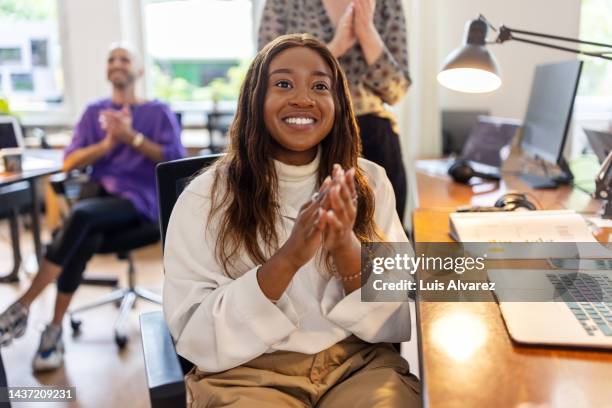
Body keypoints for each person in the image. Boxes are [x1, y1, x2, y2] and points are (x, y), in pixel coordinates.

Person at [164, 34, 419, 407]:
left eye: (320, 86)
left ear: (338, 103)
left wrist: (346, 248)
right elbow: (192, 331)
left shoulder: (370, 183)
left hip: (357, 366)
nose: (303, 98)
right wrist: (290, 257)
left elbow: (394, 308)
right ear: (255, 99)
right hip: (244, 375)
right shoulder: (206, 197)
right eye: (283, 84)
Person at [0, 43, 185, 371]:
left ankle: (25, 304)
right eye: (111, 58)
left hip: (141, 205)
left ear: (139, 70)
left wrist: (132, 138)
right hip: (100, 202)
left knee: (80, 218)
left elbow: (175, 162)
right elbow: (69, 161)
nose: (116, 63)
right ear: (106, 71)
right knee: (83, 235)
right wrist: (106, 144)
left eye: (124, 58)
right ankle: (53, 330)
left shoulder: (157, 112)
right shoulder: (93, 112)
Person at [258, 0, 411, 220]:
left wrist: (367, 32)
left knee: (377, 246)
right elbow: (263, 77)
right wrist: (335, 47)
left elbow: (396, 91)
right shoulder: (283, 3)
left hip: (372, 135)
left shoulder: (387, 4)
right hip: (300, 133)